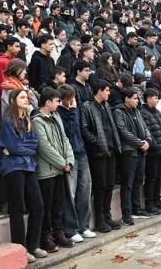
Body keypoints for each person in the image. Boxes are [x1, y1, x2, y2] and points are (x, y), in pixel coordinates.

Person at [0, 88, 46, 263]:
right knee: (17, 208)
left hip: (28, 166)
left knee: (38, 205)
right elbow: (14, 146)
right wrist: (23, 149)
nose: (27, 99)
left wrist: (21, 149)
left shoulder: (29, 120)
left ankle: (33, 245)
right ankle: (21, 248)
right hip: (12, 168)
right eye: (23, 97)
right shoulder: (8, 121)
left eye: (27, 97)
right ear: (13, 100)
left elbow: (34, 144)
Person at [33, 87, 75, 252]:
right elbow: (44, 147)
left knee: (58, 204)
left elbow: (65, 140)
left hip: (60, 169)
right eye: (57, 101)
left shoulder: (56, 116)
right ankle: (46, 237)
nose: (59, 103)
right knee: (47, 205)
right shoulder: (37, 121)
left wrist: (69, 160)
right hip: (47, 171)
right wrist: (62, 163)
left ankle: (58, 233)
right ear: (48, 102)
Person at [81, 79, 122, 233]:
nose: (109, 93)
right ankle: (99, 219)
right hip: (98, 153)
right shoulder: (87, 106)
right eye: (106, 90)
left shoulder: (107, 106)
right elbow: (84, 129)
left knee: (110, 184)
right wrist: (96, 141)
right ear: (99, 91)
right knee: (100, 186)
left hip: (111, 150)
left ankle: (107, 215)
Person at [57, 85, 95, 242]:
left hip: (81, 153)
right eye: (70, 97)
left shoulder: (75, 110)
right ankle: (70, 229)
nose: (73, 100)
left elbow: (79, 131)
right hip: (69, 156)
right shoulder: (60, 113)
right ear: (64, 99)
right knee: (70, 194)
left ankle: (83, 226)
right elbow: (69, 131)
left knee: (85, 190)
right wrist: (72, 112)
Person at [113, 87, 152, 224]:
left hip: (141, 150)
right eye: (135, 98)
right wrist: (139, 143)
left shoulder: (136, 111)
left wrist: (147, 140)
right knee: (127, 184)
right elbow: (122, 131)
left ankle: (137, 209)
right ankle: (127, 214)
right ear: (126, 99)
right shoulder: (119, 111)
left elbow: (145, 127)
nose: (137, 101)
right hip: (129, 152)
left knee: (138, 180)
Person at [140, 88, 161, 214]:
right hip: (153, 152)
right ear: (148, 99)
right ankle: (150, 203)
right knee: (151, 178)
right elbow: (148, 132)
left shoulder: (157, 112)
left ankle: (157, 200)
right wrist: (156, 145)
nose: (157, 100)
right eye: (155, 98)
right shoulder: (143, 113)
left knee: (159, 177)